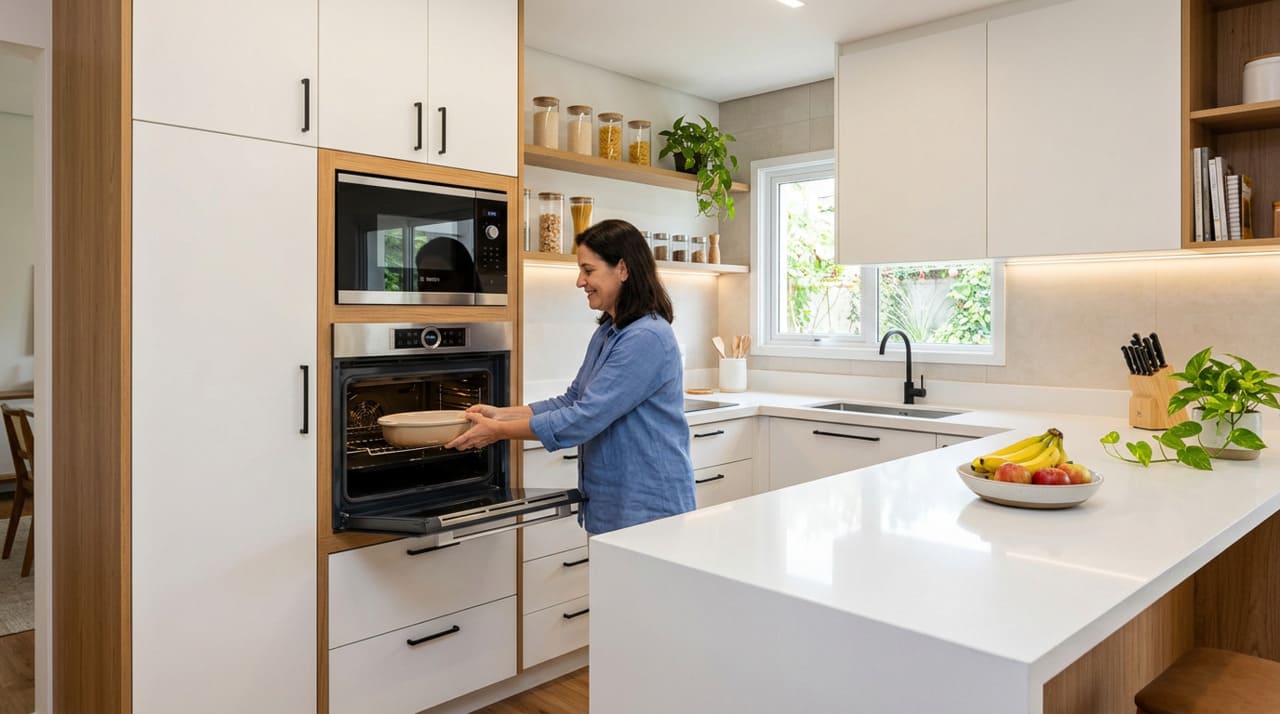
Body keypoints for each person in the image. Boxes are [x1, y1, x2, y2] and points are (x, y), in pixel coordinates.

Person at [445, 219, 695, 535]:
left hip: (648, 507)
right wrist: (501, 413)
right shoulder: (609, 332)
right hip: (613, 503)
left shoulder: (646, 337)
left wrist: (499, 431)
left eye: (588, 271)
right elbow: (572, 400)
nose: (580, 281)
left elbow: (584, 418)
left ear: (623, 269)